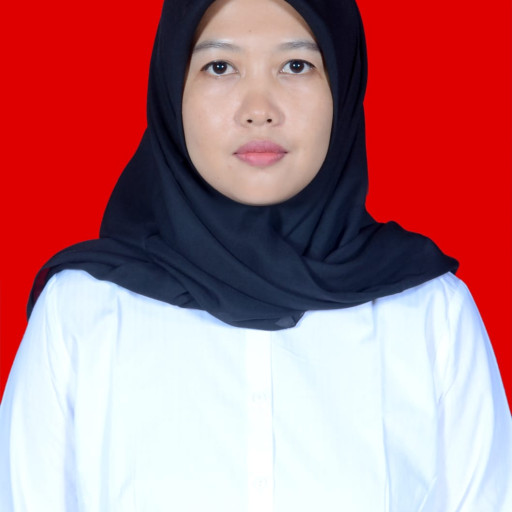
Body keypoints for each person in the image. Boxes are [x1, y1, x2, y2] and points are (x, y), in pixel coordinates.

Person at [1, 0, 511, 510]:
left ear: (343, 86)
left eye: (297, 65)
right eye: (220, 66)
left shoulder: (430, 313)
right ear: (172, 90)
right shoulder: (81, 312)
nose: (259, 108)